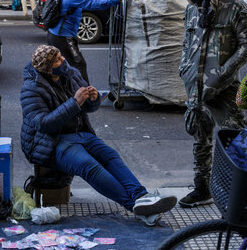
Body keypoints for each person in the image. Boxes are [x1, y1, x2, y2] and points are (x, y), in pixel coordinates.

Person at [20, 45, 177, 226]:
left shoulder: (70, 74)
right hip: (48, 142)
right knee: (88, 165)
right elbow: (43, 124)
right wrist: (74, 103)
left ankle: (142, 196)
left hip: (78, 133)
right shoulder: (31, 88)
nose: (63, 61)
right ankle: (135, 205)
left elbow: (87, 107)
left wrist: (93, 100)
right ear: (48, 68)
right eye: (57, 60)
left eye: (61, 56)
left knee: (109, 155)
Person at [178, 0, 247, 208]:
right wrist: (185, 70)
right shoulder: (192, 10)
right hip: (196, 87)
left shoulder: (236, 7)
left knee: (235, 138)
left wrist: (223, 74)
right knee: (200, 138)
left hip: (223, 88)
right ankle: (202, 188)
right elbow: (187, 44)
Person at [47, 0, 128, 84]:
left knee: (63, 66)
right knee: (79, 64)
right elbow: (92, 3)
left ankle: (67, 92)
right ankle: (86, 96)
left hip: (57, 35)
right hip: (62, 38)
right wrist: (116, 0)